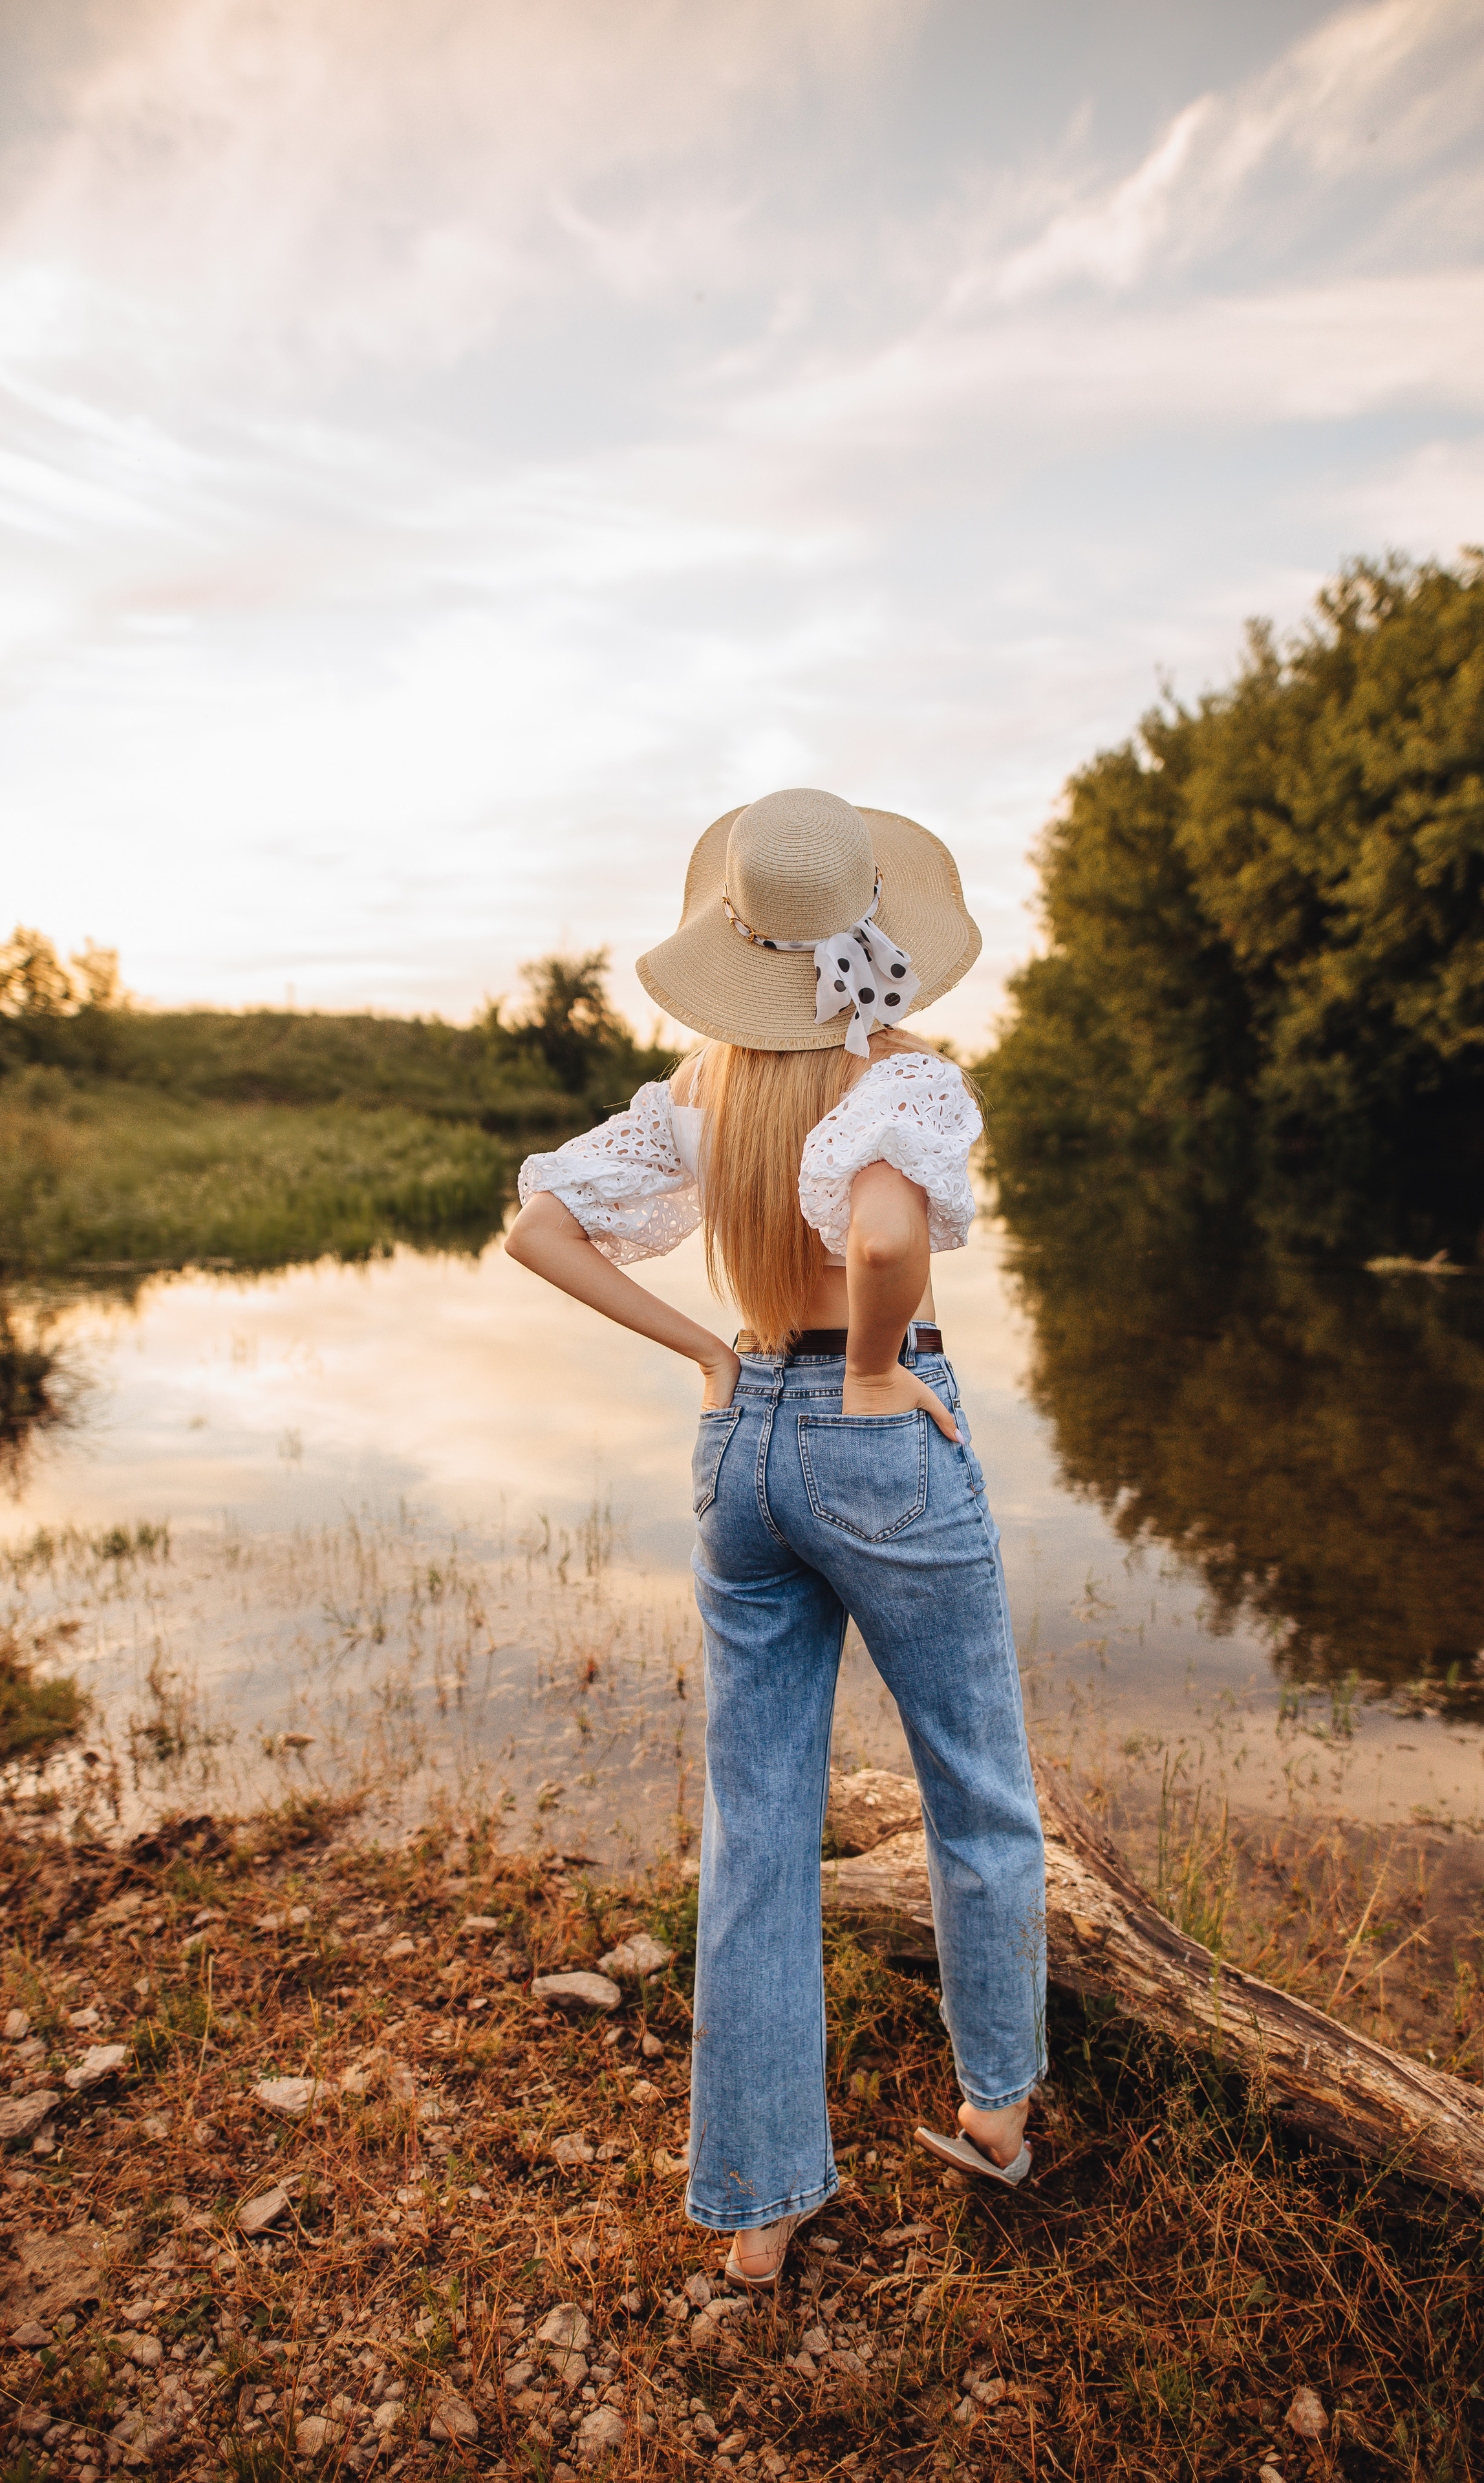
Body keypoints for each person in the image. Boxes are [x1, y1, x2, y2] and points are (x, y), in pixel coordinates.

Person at [505, 786, 1047, 2286]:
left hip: (739, 1442)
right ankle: (994, 2115)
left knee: (757, 1834)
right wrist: (874, 1371)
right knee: (977, 1795)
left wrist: (703, 1353)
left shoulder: (704, 1097)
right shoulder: (903, 1083)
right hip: (877, 1439)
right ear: (874, 930)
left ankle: (757, 2206)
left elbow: (535, 1223)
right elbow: (883, 1240)